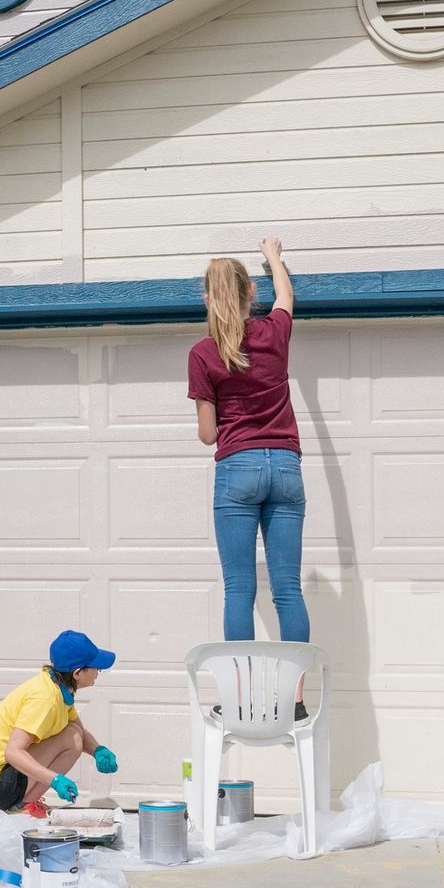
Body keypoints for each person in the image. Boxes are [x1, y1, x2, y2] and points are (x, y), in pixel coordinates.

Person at [188, 236, 310, 717]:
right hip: (285, 465)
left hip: (237, 467)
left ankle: (238, 697)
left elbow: (206, 434)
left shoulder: (204, 352)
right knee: (288, 589)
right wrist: (276, 258)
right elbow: (286, 297)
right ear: (249, 295)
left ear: (206, 299)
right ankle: (295, 700)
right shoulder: (273, 333)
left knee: (240, 589)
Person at [0, 630, 119, 818]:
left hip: (0, 779)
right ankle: (23, 806)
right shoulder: (44, 698)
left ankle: (25, 804)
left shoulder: (59, 688)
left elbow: (77, 728)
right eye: (97, 668)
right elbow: (13, 752)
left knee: (73, 732)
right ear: (78, 672)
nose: (98, 672)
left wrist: (97, 750)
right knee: (72, 739)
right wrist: (54, 780)